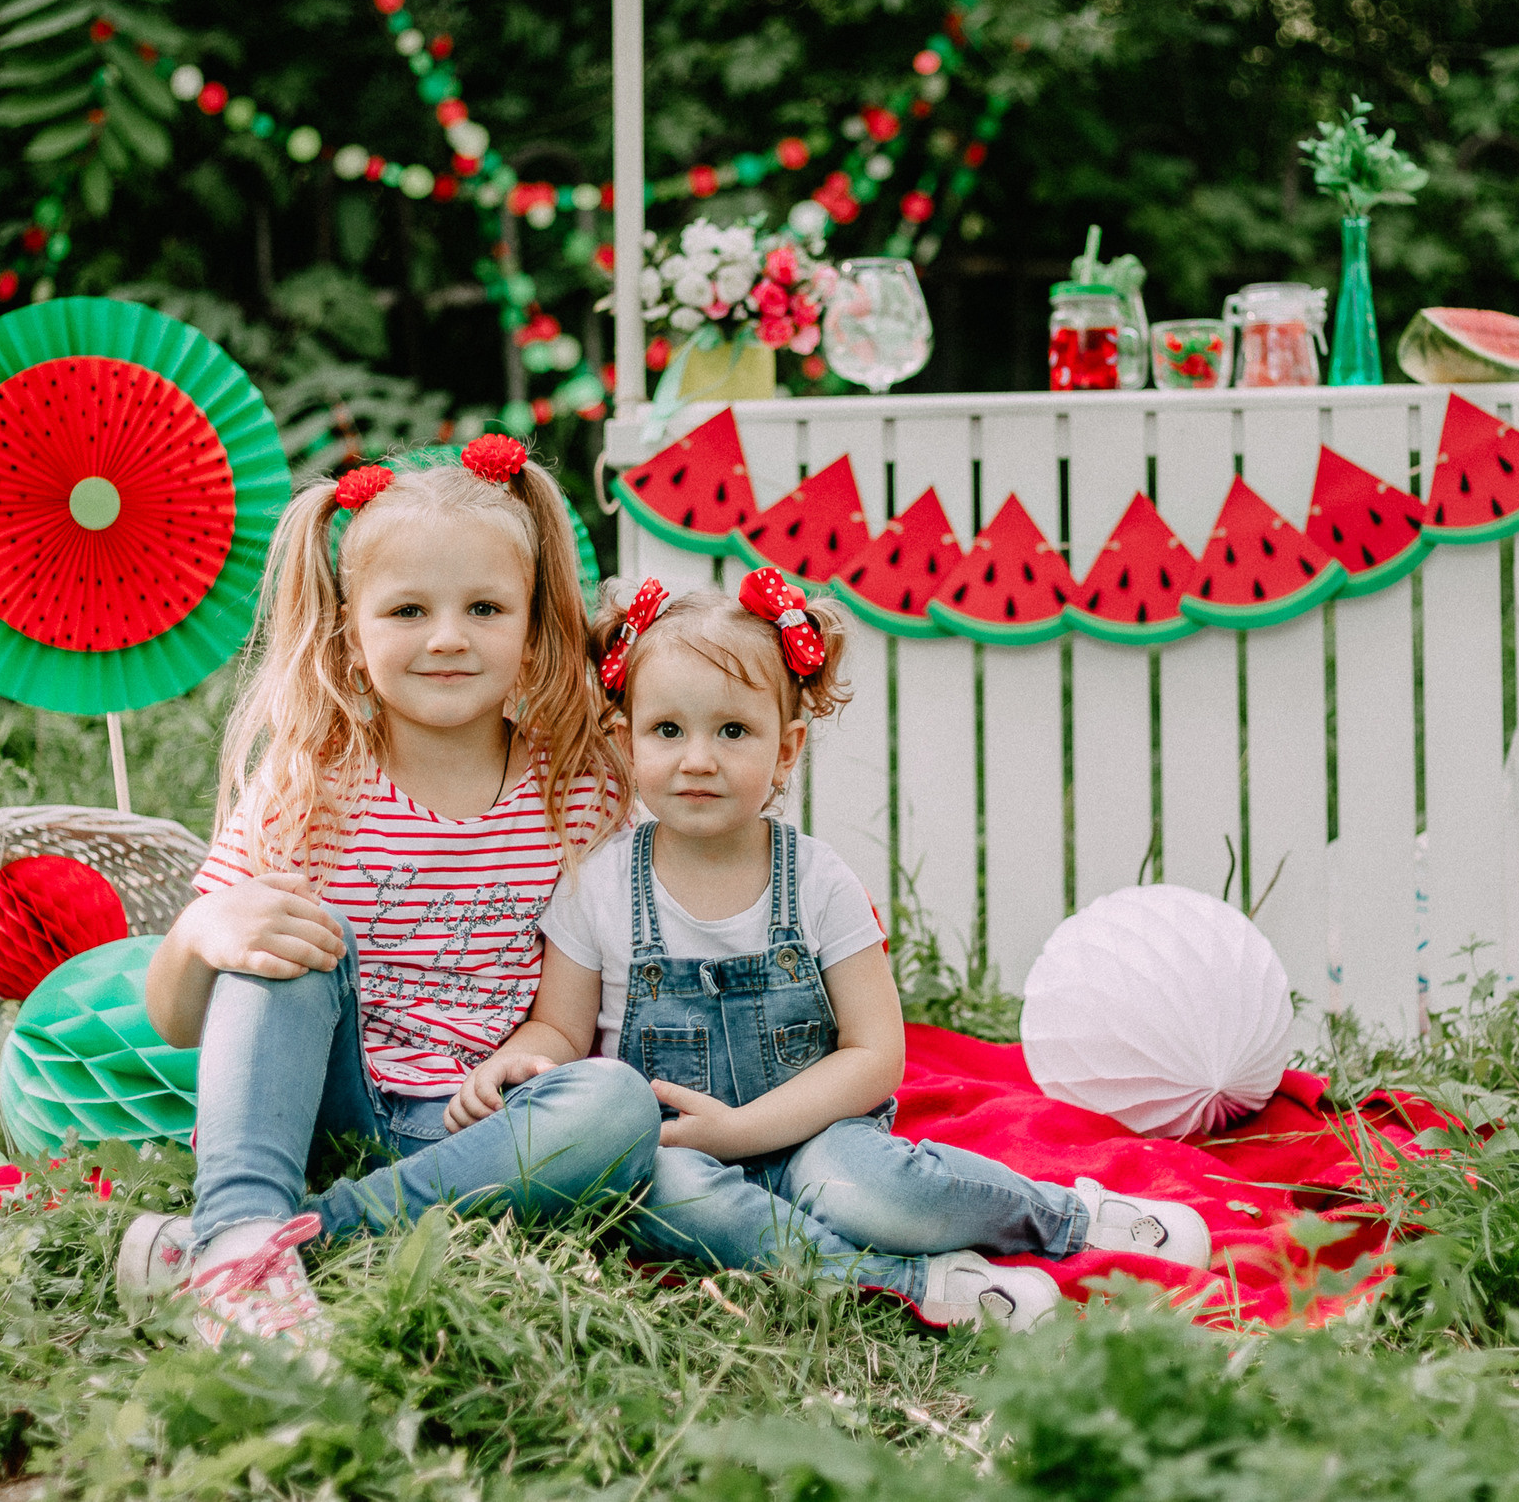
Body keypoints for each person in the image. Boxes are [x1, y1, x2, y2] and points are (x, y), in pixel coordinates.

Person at [473, 569, 1211, 1332]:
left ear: (786, 748)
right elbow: (560, 1029)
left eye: (733, 731)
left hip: (815, 1137)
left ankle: (1069, 1216)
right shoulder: (597, 887)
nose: (698, 758)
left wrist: (744, 1130)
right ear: (624, 742)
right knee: (662, 1196)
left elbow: (874, 1053)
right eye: (669, 730)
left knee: (872, 1189)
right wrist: (518, 1062)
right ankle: (918, 1282)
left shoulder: (817, 880)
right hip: (673, 1148)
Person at [116, 436, 660, 1355]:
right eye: (407, 609)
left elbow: (585, 987)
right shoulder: (311, 786)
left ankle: (261, 1248)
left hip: (480, 1128)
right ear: (350, 635)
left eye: (484, 607)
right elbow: (175, 1021)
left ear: (531, 630)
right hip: (335, 1106)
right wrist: (204, 928)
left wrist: (533, 1050)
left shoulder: (582, 790)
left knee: (618, 1105)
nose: (447, 636)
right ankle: (246, 1221)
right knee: (287, 937)